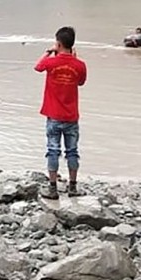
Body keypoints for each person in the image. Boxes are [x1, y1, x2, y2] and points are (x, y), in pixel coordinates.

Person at [35, 26, 87, 199]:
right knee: (72, 151)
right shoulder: (80, 65)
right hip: (71, 116)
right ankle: (72, 187)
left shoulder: (50, 62)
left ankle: (53, 189)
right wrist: (74, 59)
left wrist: (48, 52)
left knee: (53, 150)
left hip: (53, 116)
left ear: (58, 44)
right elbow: (81, 82)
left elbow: (37, 67)